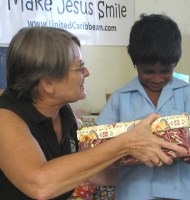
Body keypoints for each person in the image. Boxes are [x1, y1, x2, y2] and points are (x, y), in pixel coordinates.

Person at [0, 27, 187, 200]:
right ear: (48, 83)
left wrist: (156, 156)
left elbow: (92, 171)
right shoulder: (5, 118)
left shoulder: (65, 115)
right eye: (79, 67)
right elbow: (40, 184)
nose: (87, 72)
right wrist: (125, 144)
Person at [96, 13, 190, 200]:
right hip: (134, 193)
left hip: (181, 192)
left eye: (166, 71)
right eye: (148, 71)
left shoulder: (187, 93)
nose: (157, 79)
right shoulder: (120, 98)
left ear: (175, 63)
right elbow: (100, 147)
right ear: (135, 63)